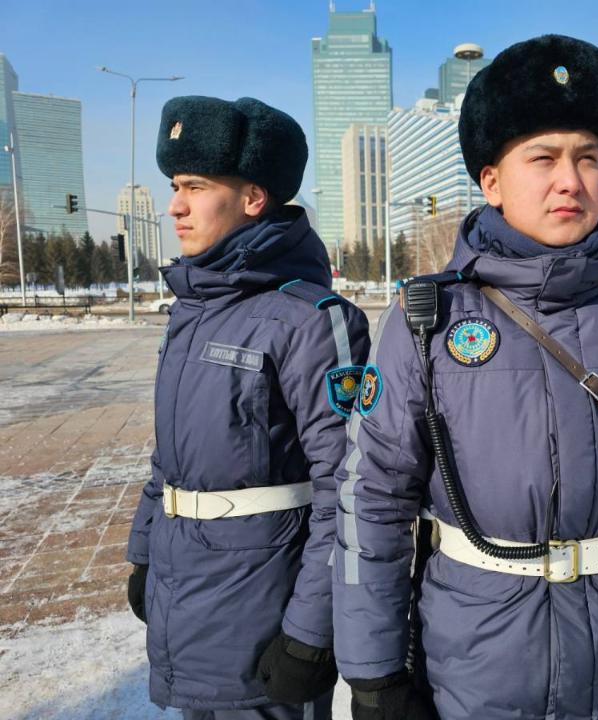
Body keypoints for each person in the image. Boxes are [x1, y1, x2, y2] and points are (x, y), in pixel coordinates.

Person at [332, 35, 598, 720]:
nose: (571, 180)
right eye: (543, 158)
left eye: (588, 158)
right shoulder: (427, 319)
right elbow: (374, 498)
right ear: (491, 181)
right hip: (475, 663)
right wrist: (374, 672)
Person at [125, 95, 370, 720]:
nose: (175, 206)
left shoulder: (310, 320)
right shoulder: (192, 310)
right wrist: (144, 553)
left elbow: (348, 488)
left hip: (266, 615)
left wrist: (310, 632)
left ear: (254, 197)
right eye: (174, 186)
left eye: (196, 187)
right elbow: (169, 458)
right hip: (189, 598)